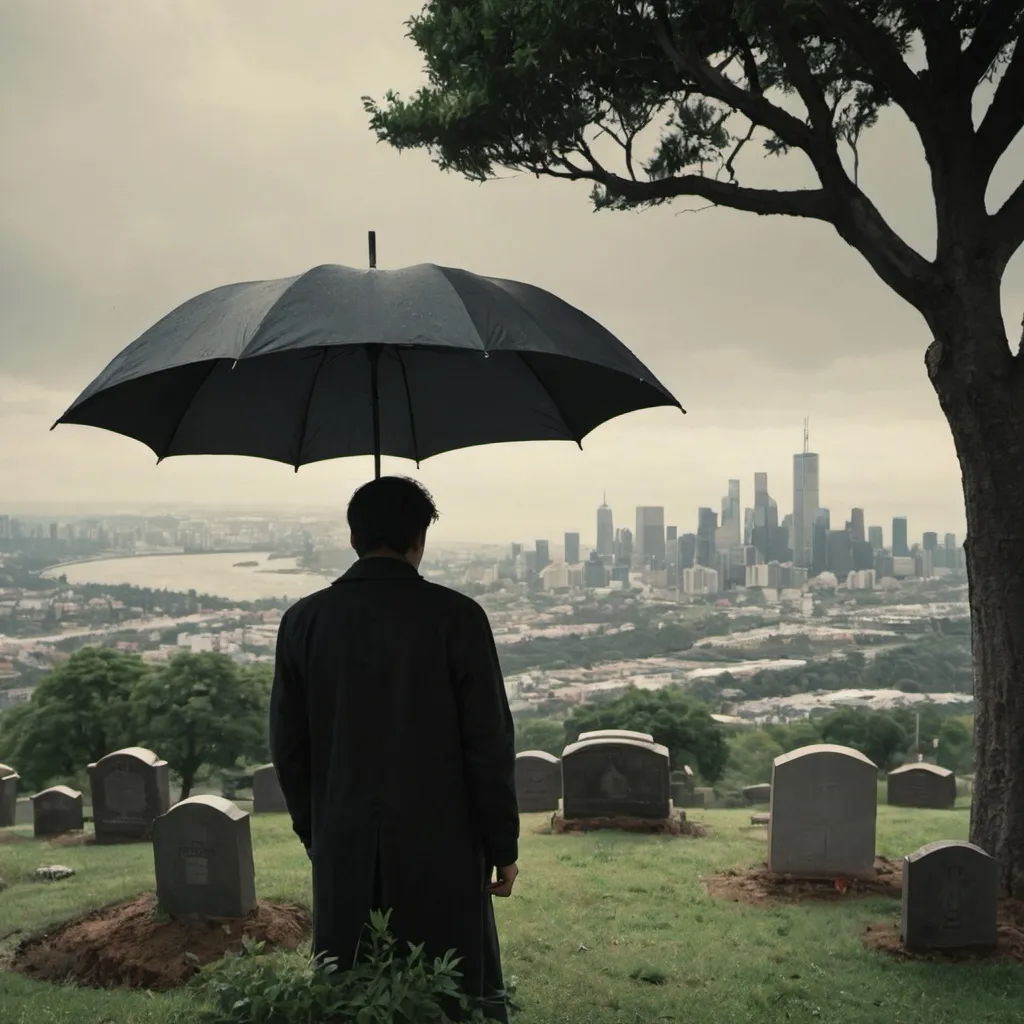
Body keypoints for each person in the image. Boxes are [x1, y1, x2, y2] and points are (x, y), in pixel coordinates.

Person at [269, 476, 520, 1023]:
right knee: (450, 989)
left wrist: (318, 830)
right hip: (445, 842)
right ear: (419, 537)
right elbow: (489, 743)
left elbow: (287, 749)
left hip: (344, 838)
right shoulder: (458, 618)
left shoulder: (304, 621)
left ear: (354, 536)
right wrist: (502, 843)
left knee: (348, 987)